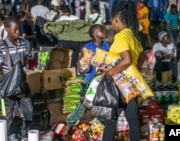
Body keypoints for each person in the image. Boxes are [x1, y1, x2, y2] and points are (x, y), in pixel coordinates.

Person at [101, 1, 145, 140]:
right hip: (130, 85)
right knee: (133, 122)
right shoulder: (133, 35)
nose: (112, 25)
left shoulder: (120, 36)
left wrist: (108, 73)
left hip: (119, 86)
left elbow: (126, 60)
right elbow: (142, 57)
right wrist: (132, 71)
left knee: (110, 123)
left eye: (112, 22)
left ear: (117, 20)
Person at [62, 24, 110, 136]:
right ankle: (68, 126)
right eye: (101, 30)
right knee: (84, 104)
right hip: (90, 80)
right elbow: (80, 63)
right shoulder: (87, 47)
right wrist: (83, 68)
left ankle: (102, 130)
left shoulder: (107, 45)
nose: (104, 31)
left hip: (103, 79)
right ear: (95, 34)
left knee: (103, 103)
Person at [0, 16, 33, 137]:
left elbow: (26, 59)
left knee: (29, 110)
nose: (18, 32)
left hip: (21, 84)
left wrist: (24, 63)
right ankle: (7, 135)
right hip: (9, 85)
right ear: (7, 29)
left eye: (19, 29)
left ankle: (23, 132)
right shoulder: (1, 46)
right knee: (8, 114)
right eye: (15, 29)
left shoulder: (23, 43)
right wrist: (2, 84)